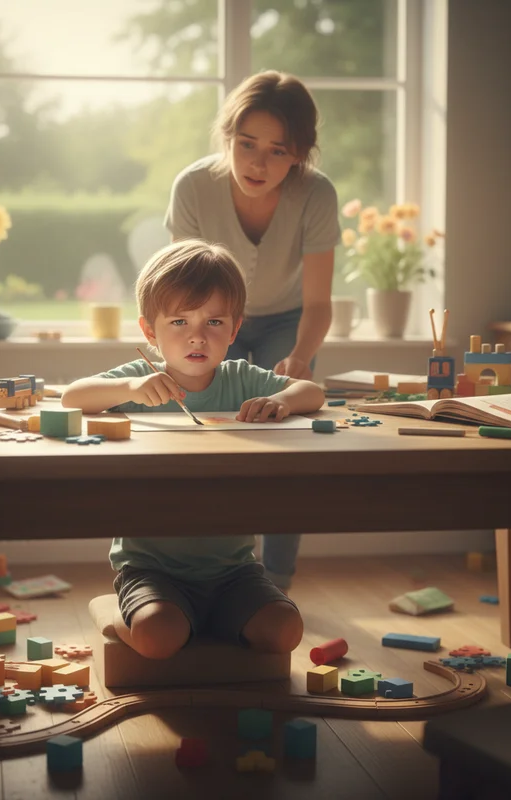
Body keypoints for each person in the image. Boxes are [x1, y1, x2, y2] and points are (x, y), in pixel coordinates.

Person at [61, 239, 325, 660]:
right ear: (150, 331)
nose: (197, 336)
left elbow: (312, 391)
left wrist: (283, 401)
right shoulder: (141, 378)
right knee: (157, 636)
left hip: (234, 569)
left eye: (214, 322)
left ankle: (204, 620)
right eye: (179, 322)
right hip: (151, 568)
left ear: (235, 329)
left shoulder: (240, 377)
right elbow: (72, 397)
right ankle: (113, 612)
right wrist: (129, 388)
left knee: (286, 630)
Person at [164, 70, 340, 590]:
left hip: (289, 319)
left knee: (286, 446)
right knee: (212, 441)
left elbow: (319, 301)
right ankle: (212, 570)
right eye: (246, 144)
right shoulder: (194, 186)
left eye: (277, 151)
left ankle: (276, 581)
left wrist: (302, 357)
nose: (257, 163)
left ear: (300, 154)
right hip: (213, 317)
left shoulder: (316, 195)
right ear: (228, 138)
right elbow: (180, 289)